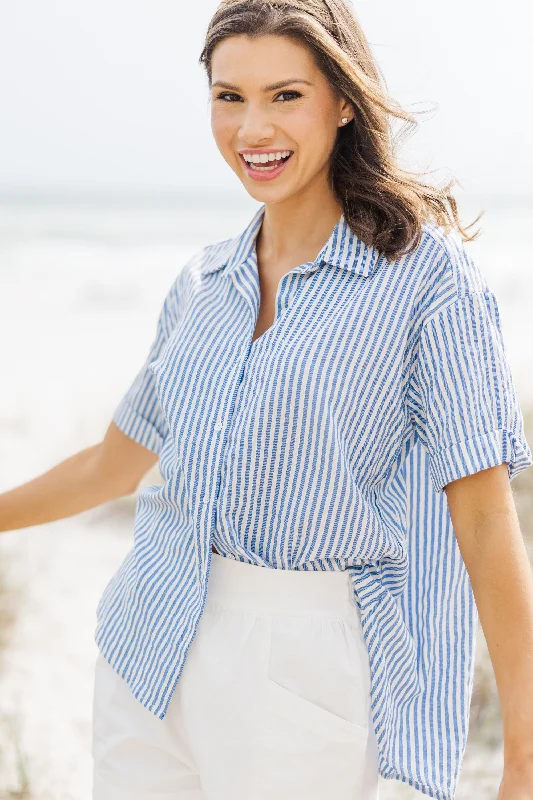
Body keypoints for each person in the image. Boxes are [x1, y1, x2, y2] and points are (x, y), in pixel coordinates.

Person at [2, 0, 533, 798]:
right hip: (149, 645)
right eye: (230, 97)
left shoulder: (426, 283)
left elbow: (485, 520)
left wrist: (522, 763)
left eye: (284, 96)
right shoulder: (204, 282)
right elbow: (116, 464)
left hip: (305, 665)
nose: (252, 129)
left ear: (343, 101)